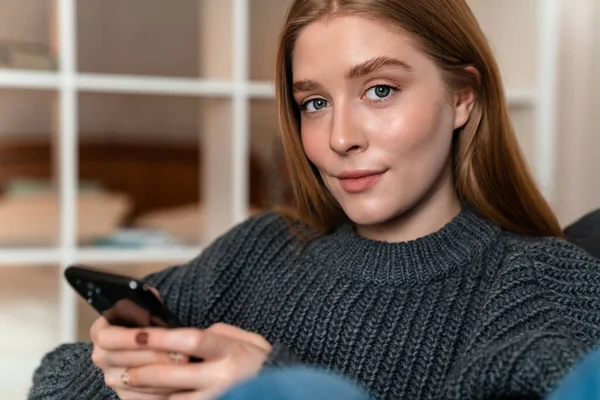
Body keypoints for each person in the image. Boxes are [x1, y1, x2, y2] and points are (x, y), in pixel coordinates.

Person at [29, 0, 600, 399]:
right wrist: (121, 379)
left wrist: (272, 383)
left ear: (462, 99)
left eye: (380, 90)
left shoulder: (542, 283)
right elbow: (55, 376)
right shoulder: (260, 247)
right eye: (315, 103)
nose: (339, 138)